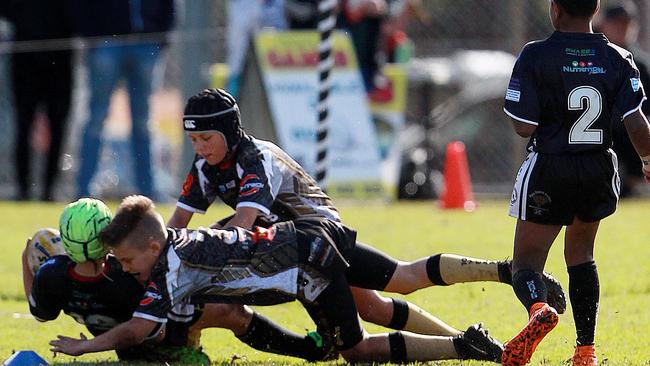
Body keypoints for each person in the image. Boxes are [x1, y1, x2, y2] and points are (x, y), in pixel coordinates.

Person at [168, 87, 567, 340]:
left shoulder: (255, 159)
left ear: (230, 133)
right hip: (293, 246)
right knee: (380, 301)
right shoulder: (205, 166)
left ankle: (502, 282)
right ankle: (468, 338)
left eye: (206, 138)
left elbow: (242, 227)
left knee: (398, 285)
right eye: (193, 139)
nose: (199, 147)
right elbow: (178, 225)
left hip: (319, 236)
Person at [50, 195, 505, 363]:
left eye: (127, 260)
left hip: (309, 265)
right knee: (401, 278)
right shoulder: (177, 248)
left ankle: (464, 346)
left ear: (151, 247)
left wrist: (83, 346)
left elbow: (137, 328)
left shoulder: (170, 268)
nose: (125, 269)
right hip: (309, 235)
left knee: (357, 350)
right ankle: (504, 272)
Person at [502, 0, 650, 365]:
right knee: (582, 256)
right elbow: (636, 122)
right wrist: (648, 159)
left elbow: (523, 125)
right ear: (594, 9)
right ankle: (586, 351)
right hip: (597, 167)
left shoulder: (535, 55)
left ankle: (539, 308)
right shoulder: (618, 57)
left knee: (526, 264)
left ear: (554, 9)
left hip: (550, 167)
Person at [25, 198, 330, 363]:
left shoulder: (50, 274)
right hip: (152, 334)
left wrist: (29, 259)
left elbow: (39, 311)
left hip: (135, 338)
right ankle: (308, 350)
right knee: (229, 312)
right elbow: (143, 328)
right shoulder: (124, 271)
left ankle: (309, 349)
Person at [73, 0, 174, 198]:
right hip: (106, 44)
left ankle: (147, 191)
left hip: (146, 44)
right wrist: (93, 37)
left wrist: (161, 36)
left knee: (142, 122)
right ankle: (84, 191)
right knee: (96, 118)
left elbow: (169, 7)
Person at [1, 0, 75, 201]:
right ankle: (22, 188)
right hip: (25, 57)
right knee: (23, 122)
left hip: (60, 58)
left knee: (58, 124)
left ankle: (49, 189)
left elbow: (79, 12)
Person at [596, 0, 650, 197]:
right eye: (616, 23)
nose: (622, 28)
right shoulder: (592, 56)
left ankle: (627, 188)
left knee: (639, 130)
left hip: (628, 132)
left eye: (626, 24)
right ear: (603, 25)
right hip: (597, 129)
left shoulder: (640, 65)